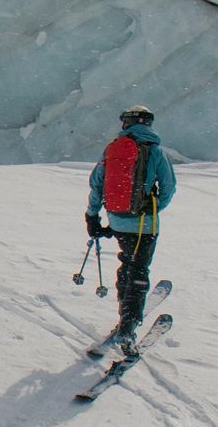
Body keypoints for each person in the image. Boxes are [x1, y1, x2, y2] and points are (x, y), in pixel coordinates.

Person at [85, 105, 177, 353]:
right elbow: (168, 187)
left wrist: (92, 215)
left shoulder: (112, 149)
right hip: (145, 225)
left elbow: (96, 183)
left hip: (118, 220)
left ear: (125, 124)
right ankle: (128, 326)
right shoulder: (155, 151)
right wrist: (152, 210)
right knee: (138, 269)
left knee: (127, 265)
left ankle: (124, 312)